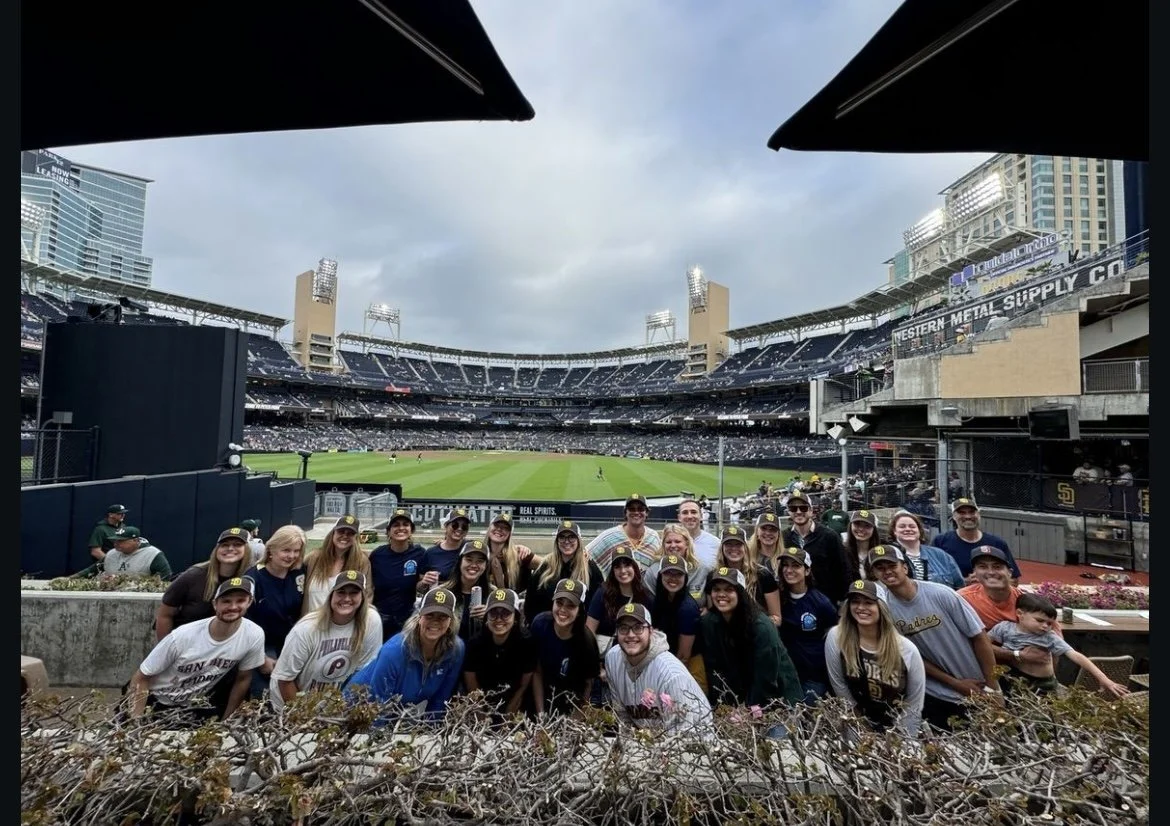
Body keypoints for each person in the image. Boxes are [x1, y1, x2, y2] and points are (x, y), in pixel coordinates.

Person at [868, 544, 1001, 732]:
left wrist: (993, 686)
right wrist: (955, 683)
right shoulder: (885, 610)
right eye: (880, 568)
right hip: (939, 693)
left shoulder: (941, 593)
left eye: (892, 566)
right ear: (875, 574)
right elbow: (912, 657)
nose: (887, 571)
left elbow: (979, 637)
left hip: (978, 686)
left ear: (904, 567)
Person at [127, 576, 265, 724]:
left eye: (240, 601)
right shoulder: (182, 636)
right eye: (226, 601)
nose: (233, 607)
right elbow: (141, 677)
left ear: (249, 602)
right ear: (215, 604)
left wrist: (226, 722)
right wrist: (135, 722)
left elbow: (243, 679)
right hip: (156, 700)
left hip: (196, 704)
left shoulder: (253, 634)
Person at [344, 587, 465, 723]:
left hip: (394, 713)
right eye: (429, 615)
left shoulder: (456, 650)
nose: (435, 621)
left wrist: (431, 735)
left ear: (451, 621)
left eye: (442, 617)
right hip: (356, 708)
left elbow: (439, 702)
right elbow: (378, 705)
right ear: (419, 617)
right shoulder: (395, 650)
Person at [824, 579, 925, 736]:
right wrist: (863, 731)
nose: (861, 607)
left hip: (899, 730)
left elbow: (914, 703)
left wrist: (900, 740)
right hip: (856, 725)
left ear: (881, 607)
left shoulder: (907, 649)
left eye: (868, 602)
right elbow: (840, 688)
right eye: (855, 602)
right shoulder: (836, 637)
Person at [270, 571, 382, 712]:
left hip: (330, 703)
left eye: (354, 593)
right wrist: (303, 717)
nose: (347, 598)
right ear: (331, 595)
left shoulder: (371, 621)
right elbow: (285, 680)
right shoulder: (306, 629)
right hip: (290, 700)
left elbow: (363, 672)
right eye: (341, 592)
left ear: (363, 597)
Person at [990, 593, 1129, 699]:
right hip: (1013, 678)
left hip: (1043, 684)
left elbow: (1075, 655)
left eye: (1049, 623)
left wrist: (1104, 679)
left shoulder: (1048, 637)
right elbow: (984, 644)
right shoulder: (1004, 628)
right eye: (1040, 620)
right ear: (1020, 614)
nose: (1045, 626)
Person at [698, 567, 802, 709]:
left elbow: (766, 677)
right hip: (739, 697)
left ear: (740, 593)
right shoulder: (709, 623)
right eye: (716, 590)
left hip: (778, 698)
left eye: (729, 590)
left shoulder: (761, 626)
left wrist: (748, 708)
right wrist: (725, 706)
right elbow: (715, 670)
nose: (721, 594)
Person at [605, 604, 713, 736]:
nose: (630, 634)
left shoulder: (671, 675)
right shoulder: (612, 659)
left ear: (650, 631)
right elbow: (622, 715)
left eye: (638, 628)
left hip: (693, 744)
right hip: (648, 743)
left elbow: (682, 735)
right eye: (623, 628)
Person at [244, 524, 308, 699]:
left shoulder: (299, 573)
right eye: (286, 550)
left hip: (292, 646)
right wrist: (261, 658)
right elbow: (243, 624)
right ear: (271, 549)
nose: (292, 556)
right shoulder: (253, 579)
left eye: (296, 551)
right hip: (262, 649)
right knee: (264, 700)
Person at [156, 528, 251, 640]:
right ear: (216, 549)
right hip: (187, 642)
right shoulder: (193, 576)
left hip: (228, 645)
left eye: (237, 544)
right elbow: (164, 615)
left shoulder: (250, 578)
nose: (230, 548)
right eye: (225, 545)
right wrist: (165, 648)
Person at [774, 547, 838, 703]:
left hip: (813, 676)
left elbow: (834, 634)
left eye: (796, 566)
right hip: (784, 673)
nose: (789, 570)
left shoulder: (821, 603)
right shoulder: (777, 599)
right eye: (786, 565)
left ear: (807, 571)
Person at [462, 588, 538, 719]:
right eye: (493, 613)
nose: (499, 619)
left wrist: (510, 713)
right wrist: (481, 712)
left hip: (514, 698)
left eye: (505, 613)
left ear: (515, 617)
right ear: (486, 617)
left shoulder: (526, 643)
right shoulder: (475, 643)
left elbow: (524, 684)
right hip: (484, 699)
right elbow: (471, 680)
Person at [530, 578, 600, 717]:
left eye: (571, 606)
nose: (563, 610)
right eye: (559, 603)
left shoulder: (587, 641)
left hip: (571, 703)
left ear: (580, 610)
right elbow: (537, 672)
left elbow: (588, 684)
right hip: (541, 698)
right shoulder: (540, 624)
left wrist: (576, 719)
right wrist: (540, 714)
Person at [525, 521, 604, 625]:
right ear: (557, 541)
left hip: (577, 631)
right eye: (562, 537)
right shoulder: (545, 566)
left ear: (578, 540)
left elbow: (598, 604)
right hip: (546, 629)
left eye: (572, 537)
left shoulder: (590, 568)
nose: (566, 541)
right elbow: (530, 603)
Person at [783, 490, 854, 605]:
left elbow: (843, 569)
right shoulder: (784, 537)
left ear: (811, 511)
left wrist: (843, 601)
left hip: (825, 602)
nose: (798, 512)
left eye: (803, 508)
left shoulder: (829, 536)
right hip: (793, 603)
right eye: (793, 508)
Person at [369, 508, 426, 642]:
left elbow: (421, 587)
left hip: (406, 620)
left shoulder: (420, 553)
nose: (401, 528)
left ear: (411, 530)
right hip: (379, 619)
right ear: (388, 531)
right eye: (396, 525)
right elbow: (369, 586)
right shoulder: (377, 555)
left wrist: (424, 583)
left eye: (405, 524)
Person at [933, 498, 1022, 583]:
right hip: (954, 596)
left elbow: (1013, 579)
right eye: (962, 513)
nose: (968, 516)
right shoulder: (941, 542)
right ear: (954, 516)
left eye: (972, 512)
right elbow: (930, 577)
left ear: (978, 514)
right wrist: (963, 582)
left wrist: (989, 582)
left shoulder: (997, 543)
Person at [302, 515, 372, 614]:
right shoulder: (314, 558)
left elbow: (367, 595)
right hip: (311, 624)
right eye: (341, 531)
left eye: (350, 533)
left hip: (343, 626)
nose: (345, 536)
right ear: (333, 533)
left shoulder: (361, 562)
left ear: (355, 538)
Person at [586, 494, 662, 577]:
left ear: (646, 512)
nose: (636, 512)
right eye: (632, 509)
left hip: (644, 589)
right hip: (615, 589)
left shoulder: (653, 537)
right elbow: (584, 555)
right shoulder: (610, 536)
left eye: (640, 509)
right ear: (626, 512)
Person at [888, 510, 964, 589]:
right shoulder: (889, 556)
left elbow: (960, 586)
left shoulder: (940, 555)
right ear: (894, 531)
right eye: (902, 526)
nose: (908, 529)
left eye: (912, 526)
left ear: (919, 531)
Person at [439, 540, 492, 643]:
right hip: (448, 652)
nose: (474, 565)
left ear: (486, 566)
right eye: (469, 559)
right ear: (460, 562)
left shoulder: (493, 594)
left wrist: (491, 617)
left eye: (480, 561)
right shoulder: (442, 592)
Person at [75, 526, 172, 579]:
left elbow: (166, 576)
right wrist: (71, 578)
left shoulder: (152, 554)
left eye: (121, 541)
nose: (116, 544)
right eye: (115, 540)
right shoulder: (112, 553)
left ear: (136, 541)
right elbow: (92, 570)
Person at [417, 509, 472, 591]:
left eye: (464, 527)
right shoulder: (431, 553)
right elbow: (419, 586)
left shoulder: (470, 549)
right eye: (455, 525)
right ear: (445, 526)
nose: (459, 529)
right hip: (439, 600)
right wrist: (424, 582)